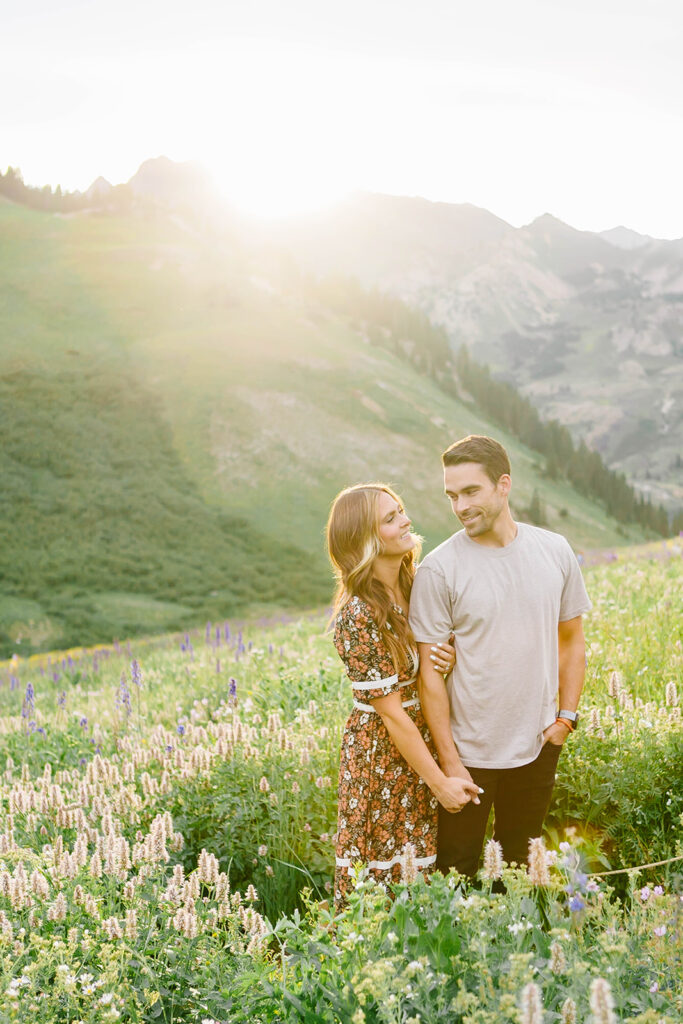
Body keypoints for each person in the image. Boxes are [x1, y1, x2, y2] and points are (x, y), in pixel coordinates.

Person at [409, 435, 592, 877]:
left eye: (471, 492)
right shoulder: (438, 569)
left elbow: (571, 639)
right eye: (452, 496)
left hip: (537, 745)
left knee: (519, 871)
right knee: (456, 873)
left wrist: (566, 718)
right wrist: (449, 763)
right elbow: (429, 677)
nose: (460, 506)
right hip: (468, 754)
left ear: (503, 484)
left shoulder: (555, 551)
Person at [326, 483, 482, 907]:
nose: (406, 521)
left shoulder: (413, 586)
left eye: (402, 511)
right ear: (365, 539)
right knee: (384, 885)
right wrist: (439, 783)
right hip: (382, 755)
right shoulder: (356, 615)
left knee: (424, 876)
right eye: (391, 518)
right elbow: (392, 715)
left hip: (422, 739)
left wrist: (442, 658)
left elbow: (423, 666)